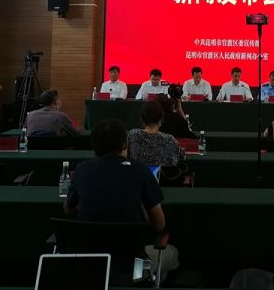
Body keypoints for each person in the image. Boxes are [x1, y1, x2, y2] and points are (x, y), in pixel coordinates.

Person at [63, 119, 178, 277]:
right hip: (132, 262)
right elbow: (159, 225)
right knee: (172, 253)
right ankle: (148, 285)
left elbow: (67, 209)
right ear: (125, 144)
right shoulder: (140, 170)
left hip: (88, 262)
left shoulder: (82, 169)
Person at [127, 100, 184, 166]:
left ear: (142, 119)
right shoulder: (170, 140)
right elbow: (180, 158)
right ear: (161, 119)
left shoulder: (133, 135)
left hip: (139, 172)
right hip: (163, 173)